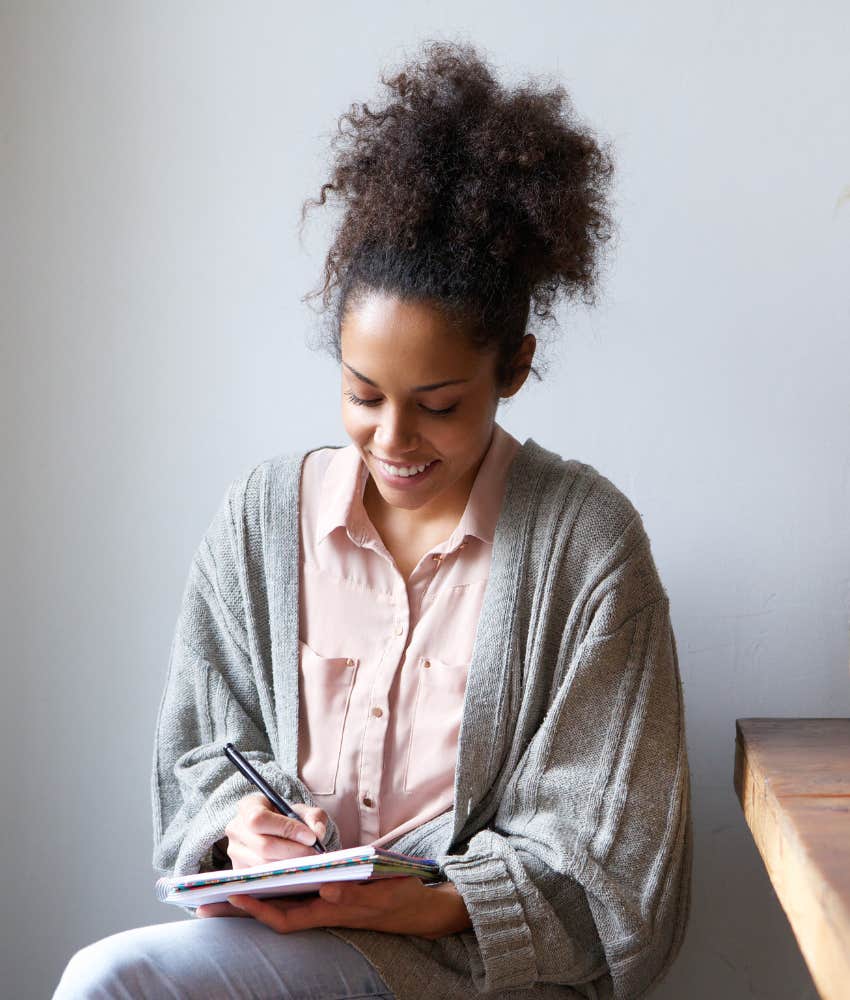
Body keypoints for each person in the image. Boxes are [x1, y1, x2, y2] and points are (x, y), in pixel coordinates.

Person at [54, 38, 692, 1000]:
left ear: (512, 370)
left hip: (471, 969)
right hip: (291, 943)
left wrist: (435, 900)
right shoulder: (259, 523)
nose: (392, 439)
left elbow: (617, 861)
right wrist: (243, 825)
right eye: (361, 395)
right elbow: (199, 754)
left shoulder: (588, 547)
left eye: (438, 404)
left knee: (117, 982)